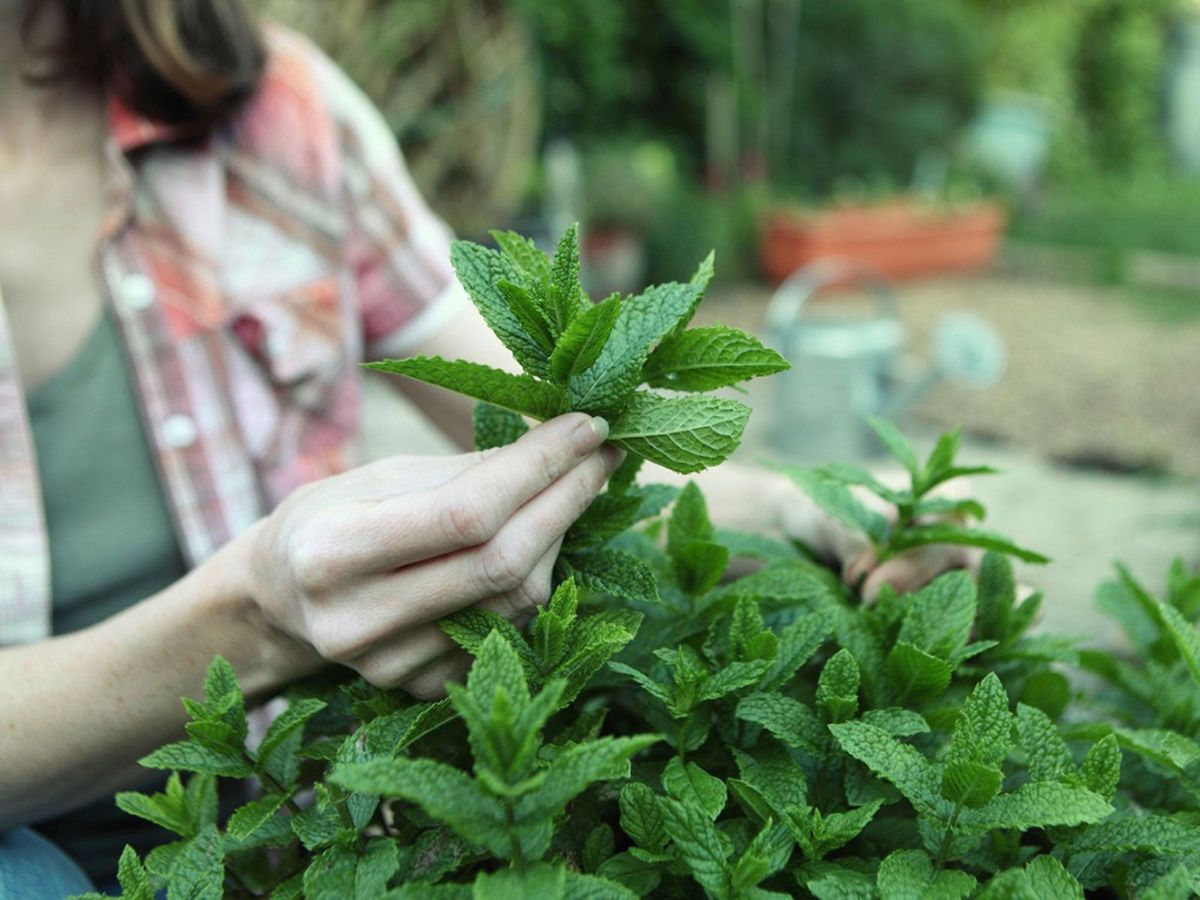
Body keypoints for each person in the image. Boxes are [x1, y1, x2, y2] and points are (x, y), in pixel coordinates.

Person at [0, 1, 977, 893]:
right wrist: (256, 620)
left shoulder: (264, 111)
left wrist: (815, 507)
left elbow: (567, 439)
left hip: (303, 824)